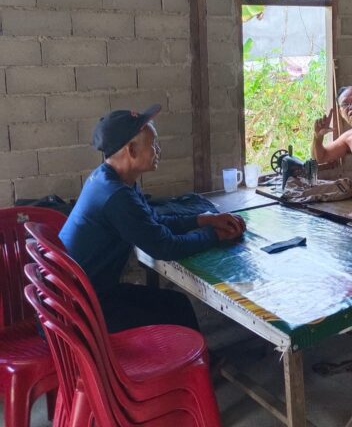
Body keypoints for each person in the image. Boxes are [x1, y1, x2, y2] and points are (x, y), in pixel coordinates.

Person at [60, 104, 246, 333]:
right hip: (77, 313)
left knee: (176, 305)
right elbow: (165, 247)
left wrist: (204, 220)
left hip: (85, 296)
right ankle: (185, 366)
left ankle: (198, 365)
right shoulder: (115, 196)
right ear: (131, 150)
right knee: (171, 313)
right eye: (153, 145)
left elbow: (152, 220)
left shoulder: (109, 178)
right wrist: (214, 235)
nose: (158, 150)